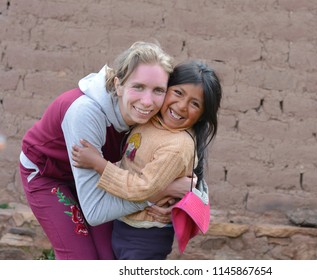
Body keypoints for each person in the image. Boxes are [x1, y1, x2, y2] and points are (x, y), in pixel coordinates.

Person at [19, 41, 194, 260]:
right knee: (82, 259)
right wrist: (160, 191)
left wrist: (191, 192)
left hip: (97, 173)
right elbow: (95, 212)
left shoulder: (153, 113)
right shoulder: (85, 113)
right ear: (118, 84)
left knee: (108, 255)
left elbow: (185, 160)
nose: (147, 101)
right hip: (49, 175)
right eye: (138, 87)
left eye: (158, 90)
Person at [71, 60, 222, 259]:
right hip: (124, 224)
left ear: (203, 115)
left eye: (195, 104)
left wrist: (98, 164)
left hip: (145, 236)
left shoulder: (178, 146)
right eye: (177, 93)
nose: (182, 106)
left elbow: (142, 187)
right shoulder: (150, 119)